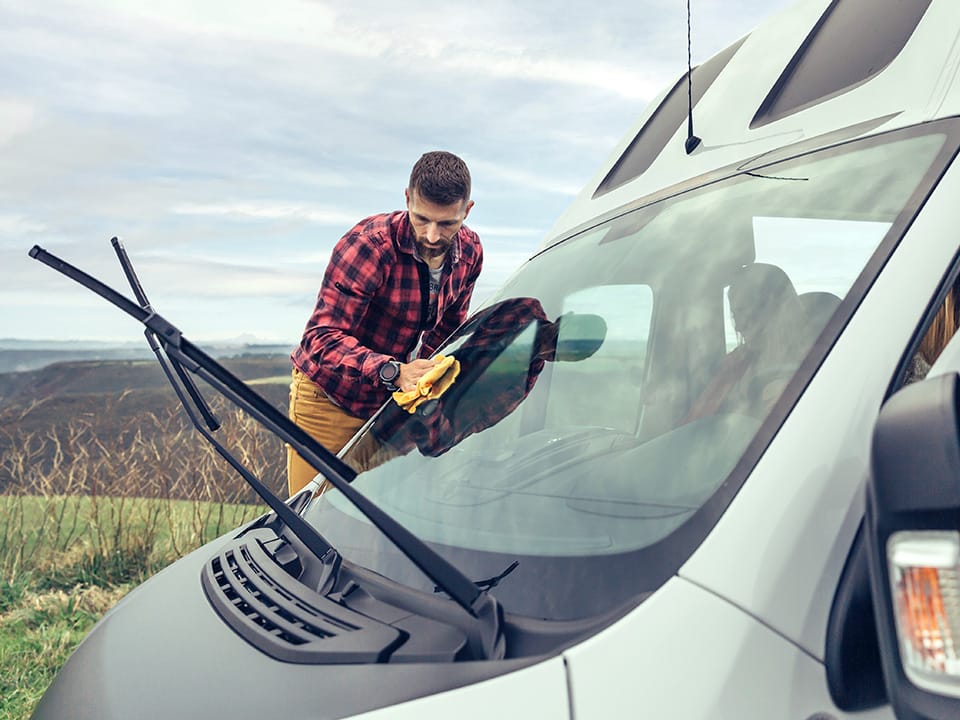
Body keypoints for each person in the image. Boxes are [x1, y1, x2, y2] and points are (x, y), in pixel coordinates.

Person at [287, 151, 483, 495]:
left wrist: (434, 383)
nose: (433, 236)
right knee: (313, 519)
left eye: (447, 223)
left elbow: (446, 332)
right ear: (407, 199)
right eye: (422, 219)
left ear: (467, 210)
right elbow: (321, 338)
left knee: (377, 520)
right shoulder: (369, 245)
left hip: (388, 406)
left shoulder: (470, 253)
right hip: (329, 399)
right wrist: (393, 372)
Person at [685, 263, 806, 421]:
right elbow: (695, 422)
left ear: (775, 311)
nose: (740, 325)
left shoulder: (821, 363)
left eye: (747, 313)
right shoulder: (736, 363)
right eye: (735, 314)